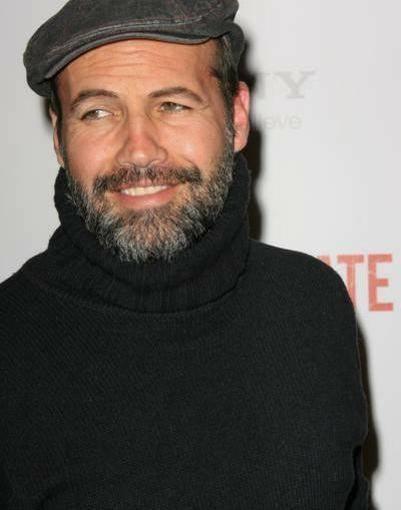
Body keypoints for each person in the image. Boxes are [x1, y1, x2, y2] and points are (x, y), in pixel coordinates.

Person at [0, 0, 369, 508]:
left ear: (236, 117)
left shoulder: (310, 302)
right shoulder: (9, 342)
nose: (139, 150)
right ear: (60, 141)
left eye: (172, 105)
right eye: (97, 112)